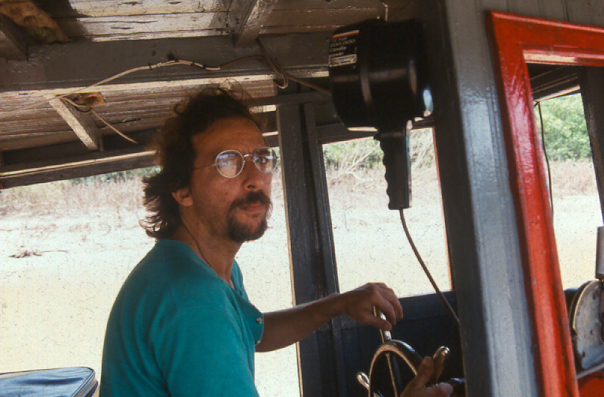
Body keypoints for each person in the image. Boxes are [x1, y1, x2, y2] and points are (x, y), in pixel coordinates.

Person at [100, 87, 453, 397]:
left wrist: (339, 304)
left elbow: (254, 332)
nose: (256, 178)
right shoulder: (195, 304)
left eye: (261, 158)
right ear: (181, 189)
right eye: (228, 163)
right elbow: (214, 325)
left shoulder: (201, 265)